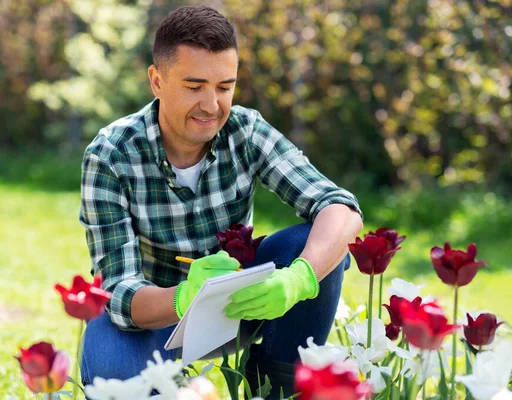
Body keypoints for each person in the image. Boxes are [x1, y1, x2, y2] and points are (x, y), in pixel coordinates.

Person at [79, 5, 363, 398]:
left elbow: (340, 208)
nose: (212, 105)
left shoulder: (246, 131)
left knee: (312, 244)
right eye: (194, 87)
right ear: (157, 81)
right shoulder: (111, 155)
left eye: (224, 87)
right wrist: (184, 296)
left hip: (237, 308)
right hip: (151, 319)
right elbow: (119, 291)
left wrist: (299, 279)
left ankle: (276, 384)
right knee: (114, 378)